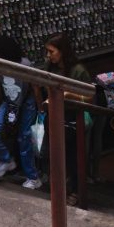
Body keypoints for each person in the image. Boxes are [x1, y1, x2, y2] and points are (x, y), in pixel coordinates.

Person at [0, 35, 42, 190]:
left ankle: (33, 177)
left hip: (27, 104)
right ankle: (6, 160)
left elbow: (35, 87)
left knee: (25, 139)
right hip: (9, 103)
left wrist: (41, 110)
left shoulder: (25, 64)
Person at [45, 33, 92, 206]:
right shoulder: (50, 66)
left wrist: (70, 95)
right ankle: (60, 188)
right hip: (55, 115)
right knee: (56, 154)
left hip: (73, 118)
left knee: (74, 157)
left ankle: (76, 191)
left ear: (62, 51)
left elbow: (90, 96)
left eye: (52, 51)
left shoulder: (78, 70)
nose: (49, 55)